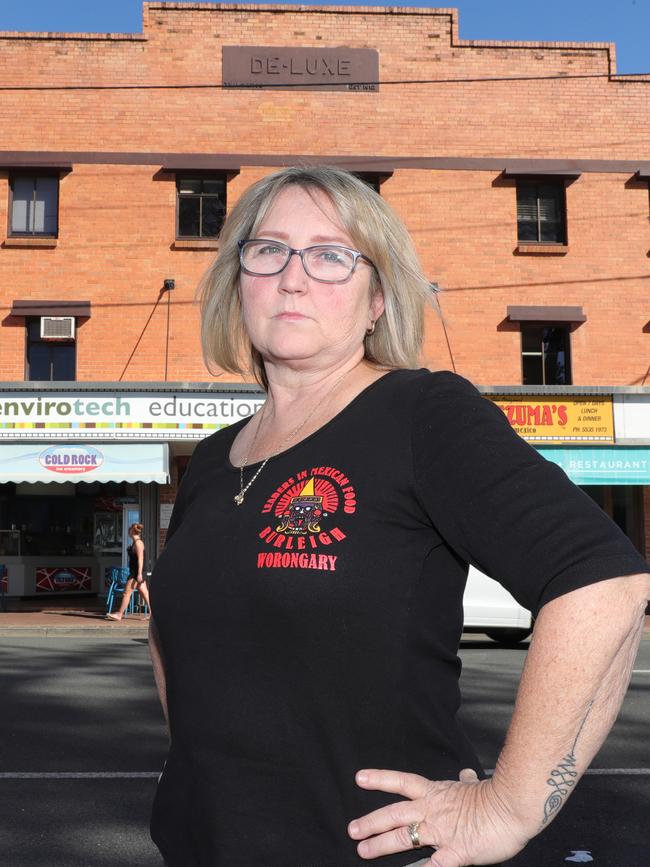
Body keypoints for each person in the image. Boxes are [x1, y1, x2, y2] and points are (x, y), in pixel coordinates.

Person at [147, 166, 650, 867]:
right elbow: (173, 634)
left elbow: (605, 585)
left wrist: (509, 806)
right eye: (269, 251)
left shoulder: (423, 415)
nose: (293, 278)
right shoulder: (208, 461)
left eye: (330, 255)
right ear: (240, 281)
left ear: (378, 297)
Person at [106, 522, 150, 620]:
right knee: (145, 593)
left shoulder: (138, 543)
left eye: (129, 530)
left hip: (136, 573)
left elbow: (141, 559)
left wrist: (139, 574)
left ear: (132, 531)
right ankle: (153, 614)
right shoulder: (135, 543)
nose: (128, 532)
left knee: (126, 593)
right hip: (135, 572)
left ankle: (119, 614)